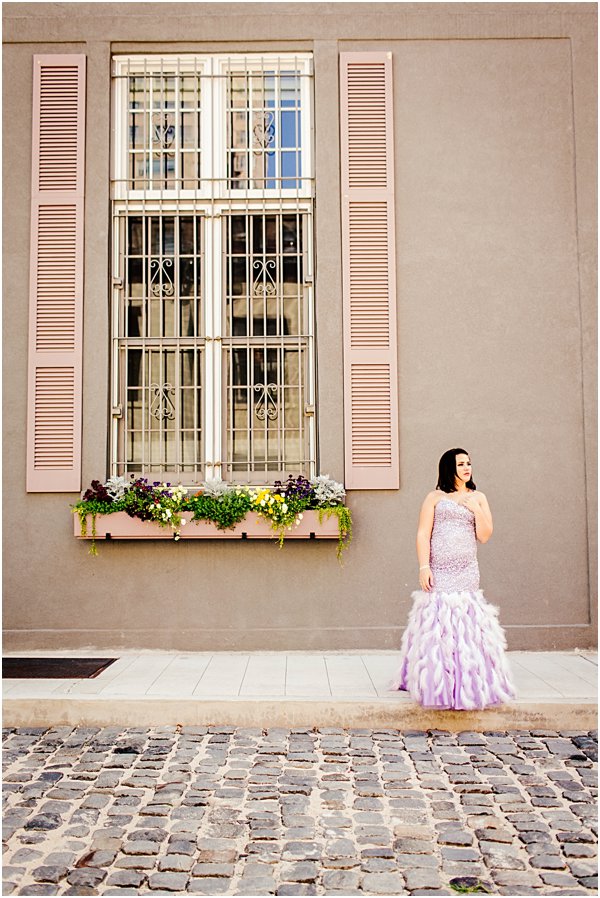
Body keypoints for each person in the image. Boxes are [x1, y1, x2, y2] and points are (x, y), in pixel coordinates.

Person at [391, 448, 515, 709]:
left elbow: (485, 535)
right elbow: (423, 534)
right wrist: (424, 566)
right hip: (440, 571)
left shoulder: (478, 497)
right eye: (461, 464)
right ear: (450, 467)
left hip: (467, 571)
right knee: (439, 624)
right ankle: (438, 683)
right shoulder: (434, 497)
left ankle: (467, 683)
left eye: (469, 463)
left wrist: (476, 509)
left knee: (465, 623)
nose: (467, 467)